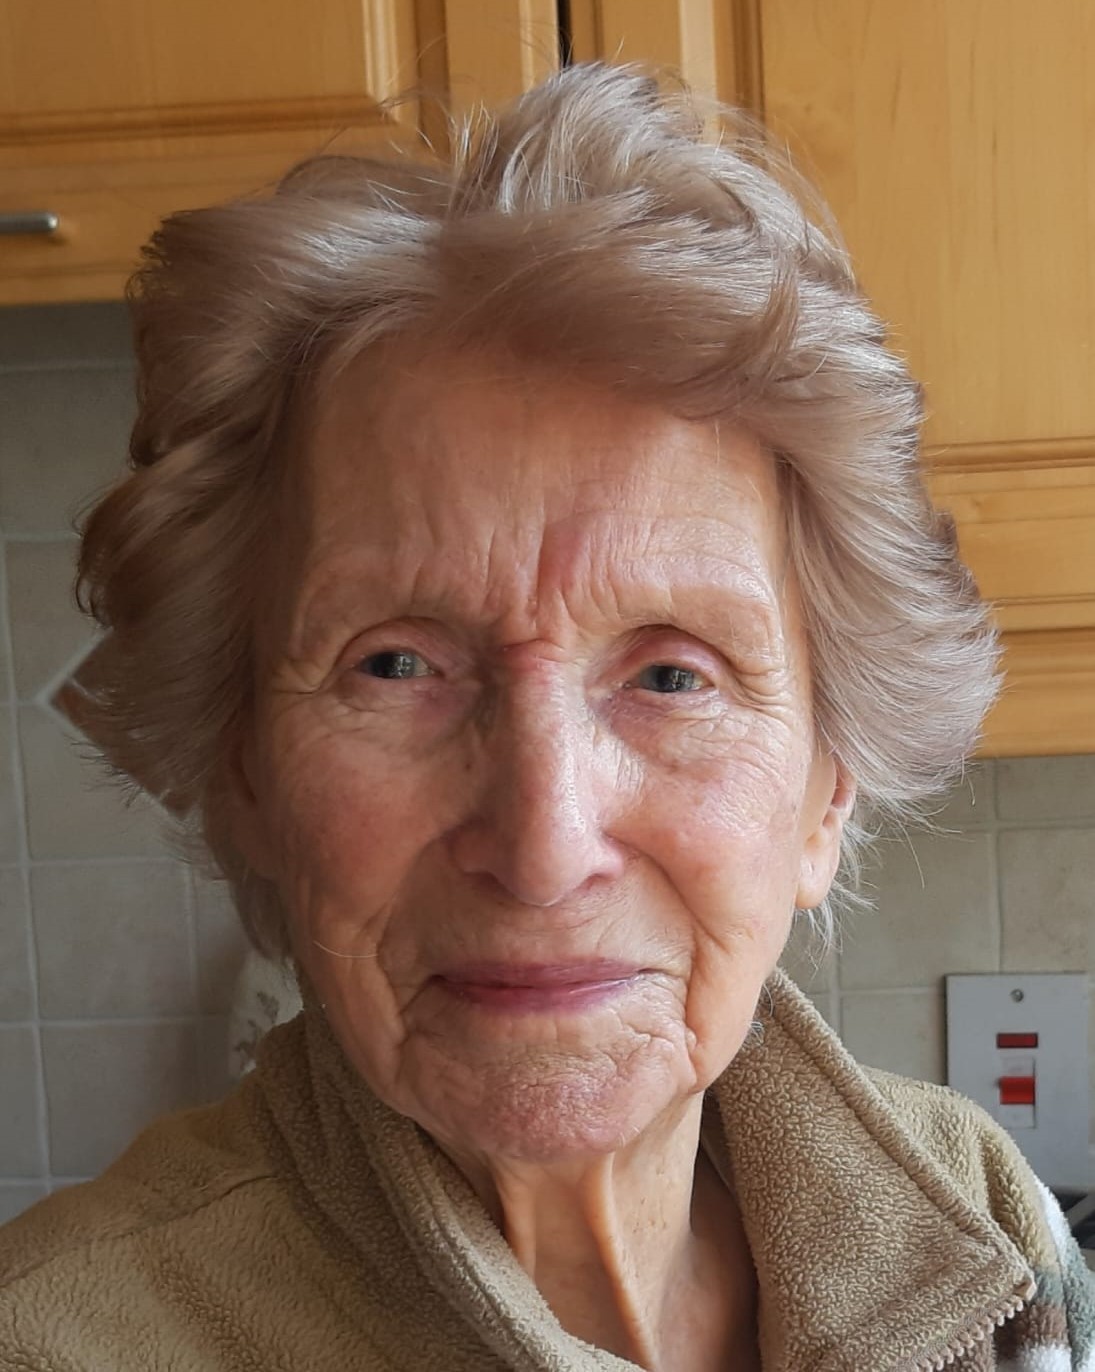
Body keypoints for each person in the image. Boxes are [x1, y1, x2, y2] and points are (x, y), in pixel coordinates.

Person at [1, 62, 1092, 1372]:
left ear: (827, 791)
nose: (543, 846)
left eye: (673, 676)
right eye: (394, 664)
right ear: (245, 773)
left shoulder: (977, 1220)